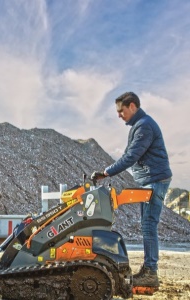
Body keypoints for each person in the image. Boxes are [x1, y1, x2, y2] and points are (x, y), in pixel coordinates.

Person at [91, 91, 172, 288]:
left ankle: (150, 272)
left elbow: (131, 156)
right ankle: (148, 269)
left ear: (132, 106)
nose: (119, 115)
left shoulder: (144, 126)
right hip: (150, 181)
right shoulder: (139, 125)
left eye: (121, 110)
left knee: (148, 226)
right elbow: (130, 154)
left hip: (155, 180)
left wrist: (106, 172)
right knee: (147, 225)